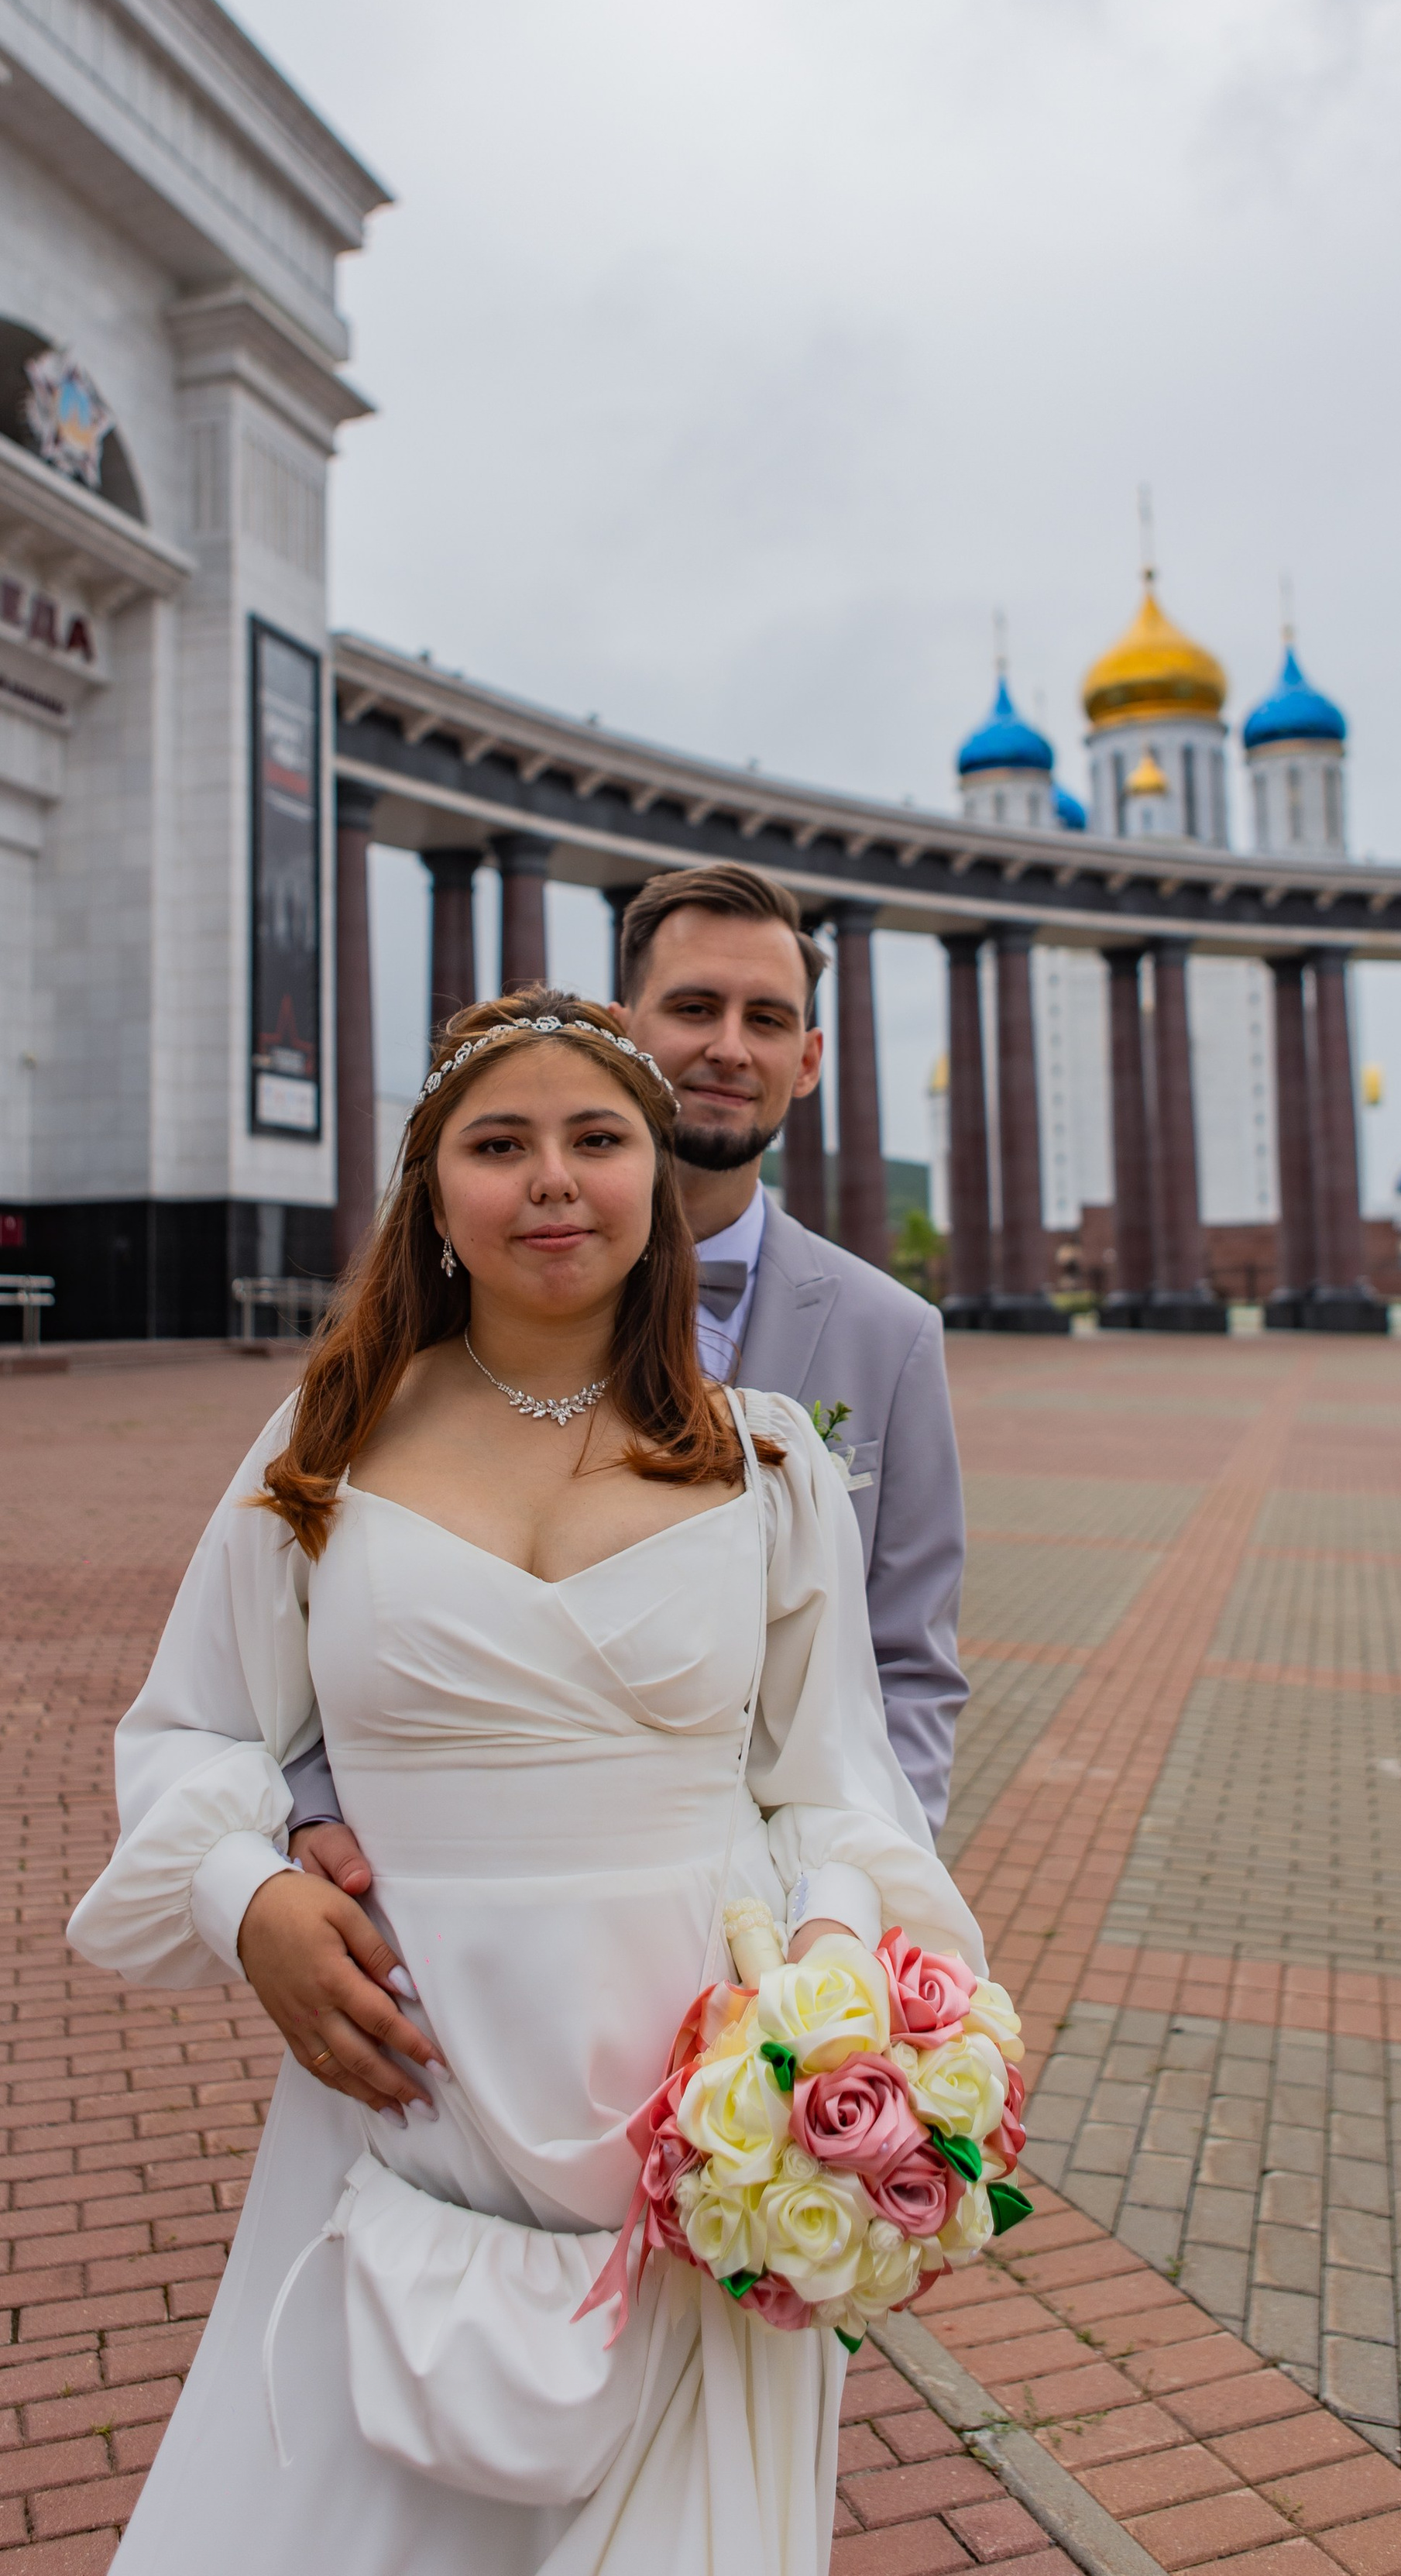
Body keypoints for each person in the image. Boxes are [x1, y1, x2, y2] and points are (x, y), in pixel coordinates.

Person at [67, 992, 984, 2574]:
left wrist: (829, 1983)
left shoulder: (763, 1467)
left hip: (690, 2116)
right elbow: (191, 1730)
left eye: (595, 1139)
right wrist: (249, 1896)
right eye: (499, 1144)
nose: (551, 1179)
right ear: (431, 1193)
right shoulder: (323, 1445)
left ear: (653, 1177)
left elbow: (836, 1792)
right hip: (402, 2087)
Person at [272, 867, 968, 2087]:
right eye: (693, 1008)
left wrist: (834, 1923)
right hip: (439, 1954)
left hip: (756, 1959)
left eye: (766, 1021)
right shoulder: (404, 1371)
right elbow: (309, 1628)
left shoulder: (890, 1335)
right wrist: (307, 1826)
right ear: (627, 1031)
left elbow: (904, 1667)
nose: (728, 1048)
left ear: (809, 1060)